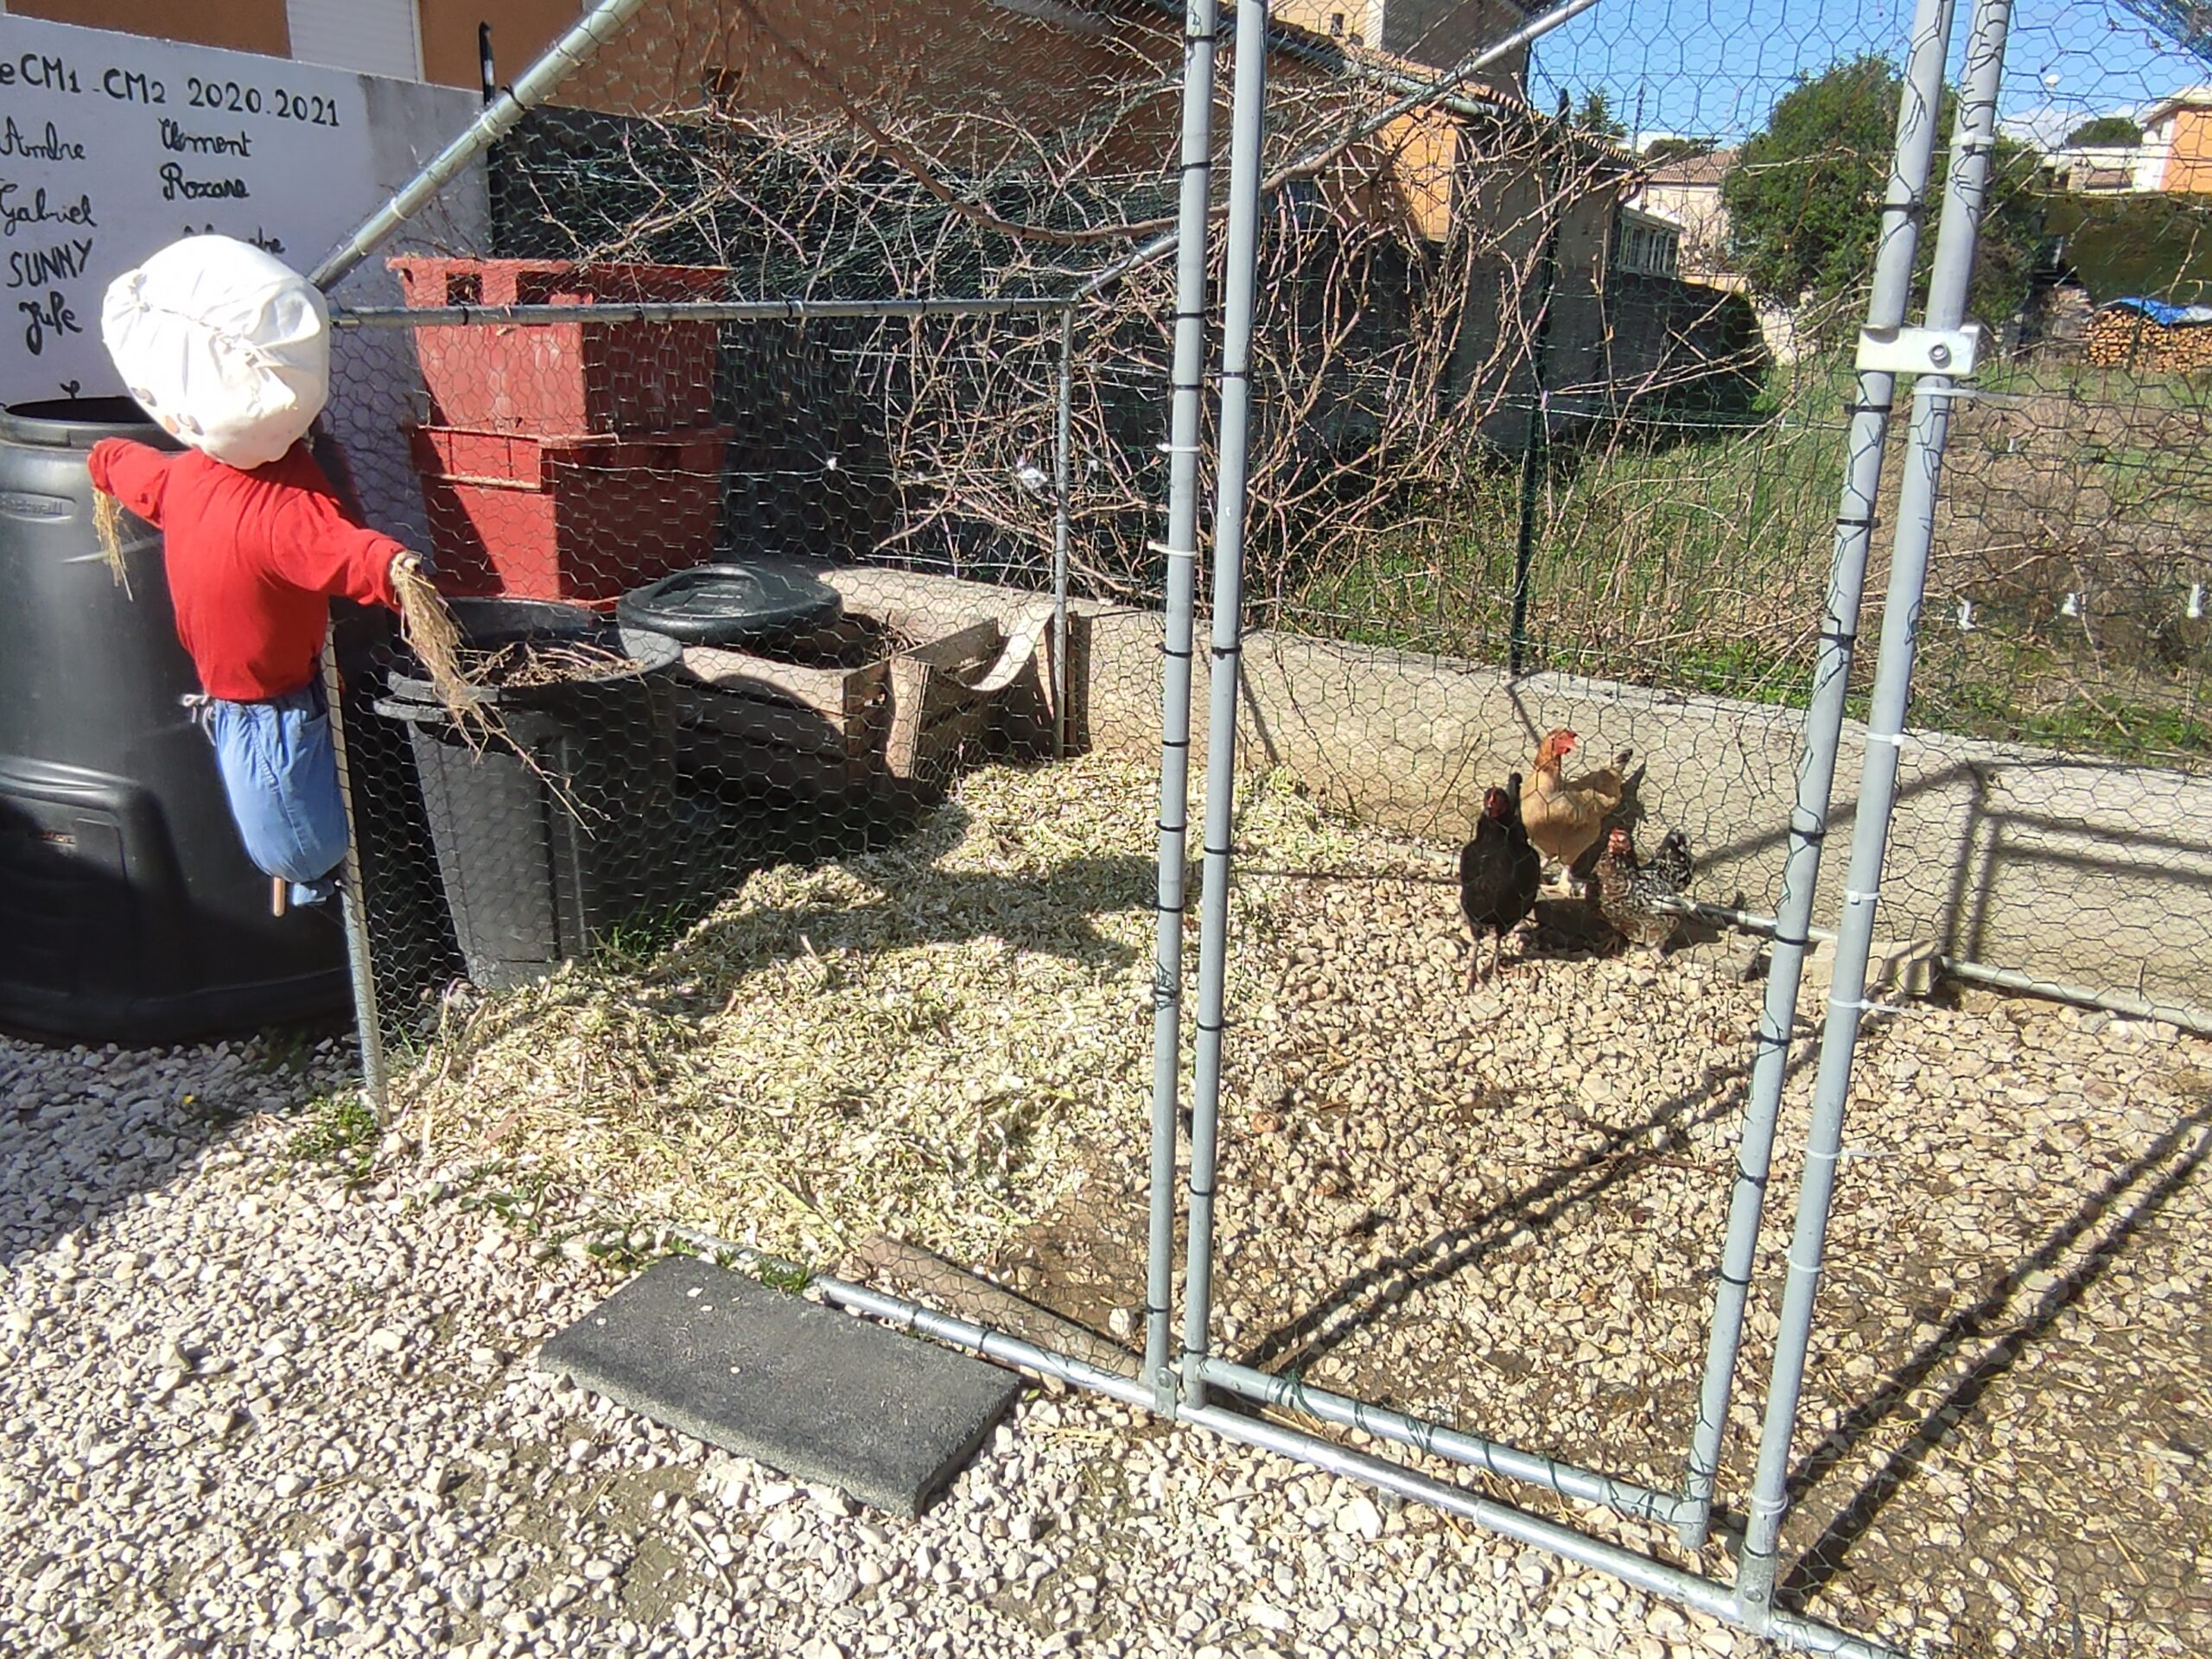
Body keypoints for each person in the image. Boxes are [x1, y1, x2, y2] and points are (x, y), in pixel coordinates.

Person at [87, 434, 425, 907]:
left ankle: (321, 896)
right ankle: (320, 896)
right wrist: (109, 459)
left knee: (303, 851)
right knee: (301, 845)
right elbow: (145, 476)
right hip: (255, 704)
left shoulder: (258, 504)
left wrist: (391, 568)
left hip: (274, 710)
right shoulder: (200, 482)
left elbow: (341, 551)